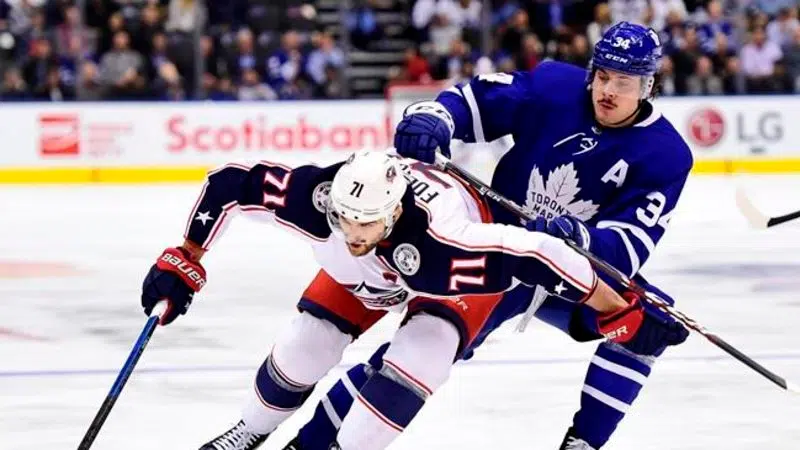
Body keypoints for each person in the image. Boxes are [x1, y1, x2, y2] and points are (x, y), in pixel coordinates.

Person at [290, 22, 693, 450]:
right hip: (498, 253)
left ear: (649, 85)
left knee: (649, 323)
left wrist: (578, 237)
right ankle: (309, 442)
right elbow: (478, 100)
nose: (607, 89)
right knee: (412, 356)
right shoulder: (555, 85)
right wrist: (438, 116)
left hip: (572, 270)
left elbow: (627, 249)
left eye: (624, 81)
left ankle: (582, 443)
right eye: (603, 75)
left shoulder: (666, 155)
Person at [140, 150, 687, 450]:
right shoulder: (316, 198)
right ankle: (250, 432)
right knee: (304, 347)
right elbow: (232, 181)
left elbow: (543, 253)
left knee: (412, 365)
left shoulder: (448, 244)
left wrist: (616, 307)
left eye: (367, 224)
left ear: (396, 213)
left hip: (440, 284)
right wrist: (187, 255)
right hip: (366, 278)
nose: (352, 232)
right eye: (343, 220)